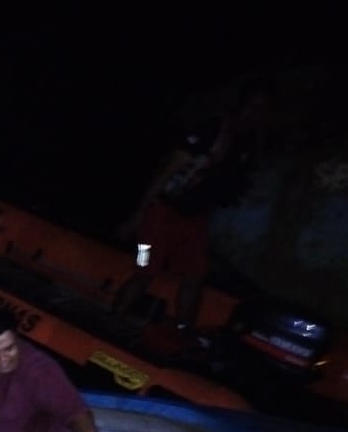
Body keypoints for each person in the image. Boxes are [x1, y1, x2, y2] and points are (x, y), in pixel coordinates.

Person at [114, 76, 276, 333]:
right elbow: (168, 170)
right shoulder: (212, 129)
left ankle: (182, 333)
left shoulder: (249, 143)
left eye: (263, 110)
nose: (255, 115)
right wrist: (137, 215)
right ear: (241, 105)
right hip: (158, 214)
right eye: (253, 107)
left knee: (196, 275)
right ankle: (113, 324)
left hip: (193, 221)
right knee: (144, 269)